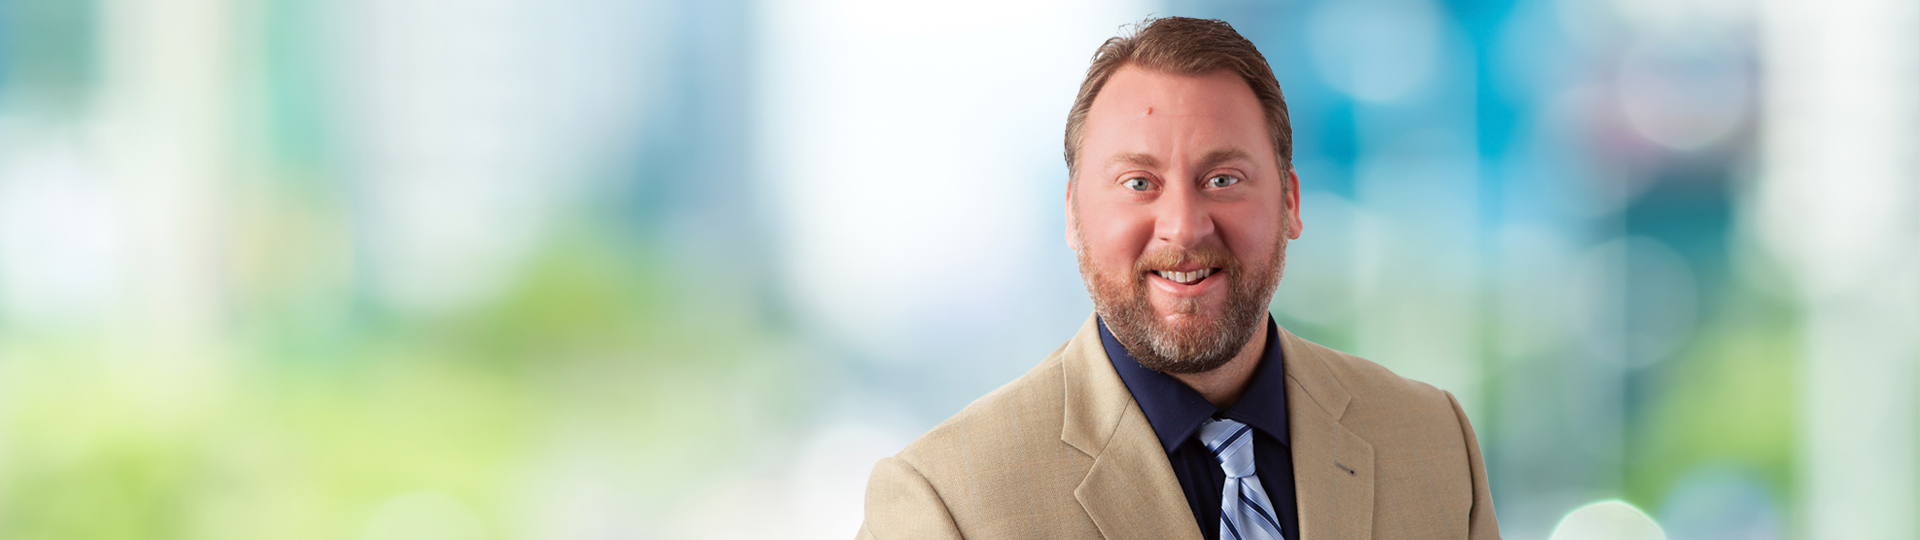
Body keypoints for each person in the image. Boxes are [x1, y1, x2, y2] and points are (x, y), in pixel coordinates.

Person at [857, 17, 1499, 540]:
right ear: (1073, 214)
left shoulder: (1435, 441)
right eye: (1139, 183)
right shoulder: (945, 503)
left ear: (1291, 202)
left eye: (1222, 179)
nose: (1185, 228)